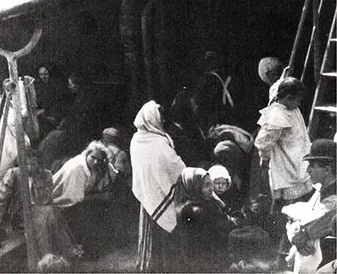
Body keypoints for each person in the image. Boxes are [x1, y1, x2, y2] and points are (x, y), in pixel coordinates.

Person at [0, 148, 81, 261]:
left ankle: (55, 257)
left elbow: (45, 200)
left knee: (50, 213)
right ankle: (51, 258)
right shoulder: (14, 174)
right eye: (26, 164)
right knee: (46, 217)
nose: (30, 168)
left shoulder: (46, 175)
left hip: (42, 211)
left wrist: (37, 182)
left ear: (39, 164)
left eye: (33, 164)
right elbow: (0, 200)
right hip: (21, 216)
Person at [130, 100, 186, 271]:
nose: (162, 123)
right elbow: (176, 167)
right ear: (151, 120)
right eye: (159, 119)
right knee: (164, 234)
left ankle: (151, 265)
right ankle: (163, 267)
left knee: (154, 233)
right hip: (158, 194)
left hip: (148, 195)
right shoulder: (158, 143)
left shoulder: (136, 139)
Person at [254, 78, 312, 214]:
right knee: (287, 191)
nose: (298, 104)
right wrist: (265, 159)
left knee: (301, 180)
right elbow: (264, 142)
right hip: (285, 157)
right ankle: (279, 219)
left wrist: (284, 75)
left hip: (297, 149)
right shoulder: (277, 115)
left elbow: (276, 87)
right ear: (288, 97)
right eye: (297, 100)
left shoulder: (290, 107)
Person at [52, 141, 118, 258]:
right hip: (61, 203)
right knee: (86, 212)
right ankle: (86, 250)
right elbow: (75, 198)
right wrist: (100, 197)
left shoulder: (95, 165)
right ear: (86, 154)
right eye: (93, 157)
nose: (95, 161)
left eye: (99, 159)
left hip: (79, 199)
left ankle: (95, 246)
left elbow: (110, 172)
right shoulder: (78, 168)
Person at [283, 139, 337, 273]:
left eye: (312, 165)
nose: (308, 170)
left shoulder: (333, 197)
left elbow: (319, 223)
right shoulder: (319, 191)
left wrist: (302, 236)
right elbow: (296, 219)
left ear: (327, 169)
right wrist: (297, 234)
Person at [174, 167, 237, 272]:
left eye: (210, 183)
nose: (212, 189)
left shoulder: (183, 205)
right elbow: (228, 226)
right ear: (195, 187)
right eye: (206, 185)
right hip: (209, 262)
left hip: (192, 260)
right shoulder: (202, 209)